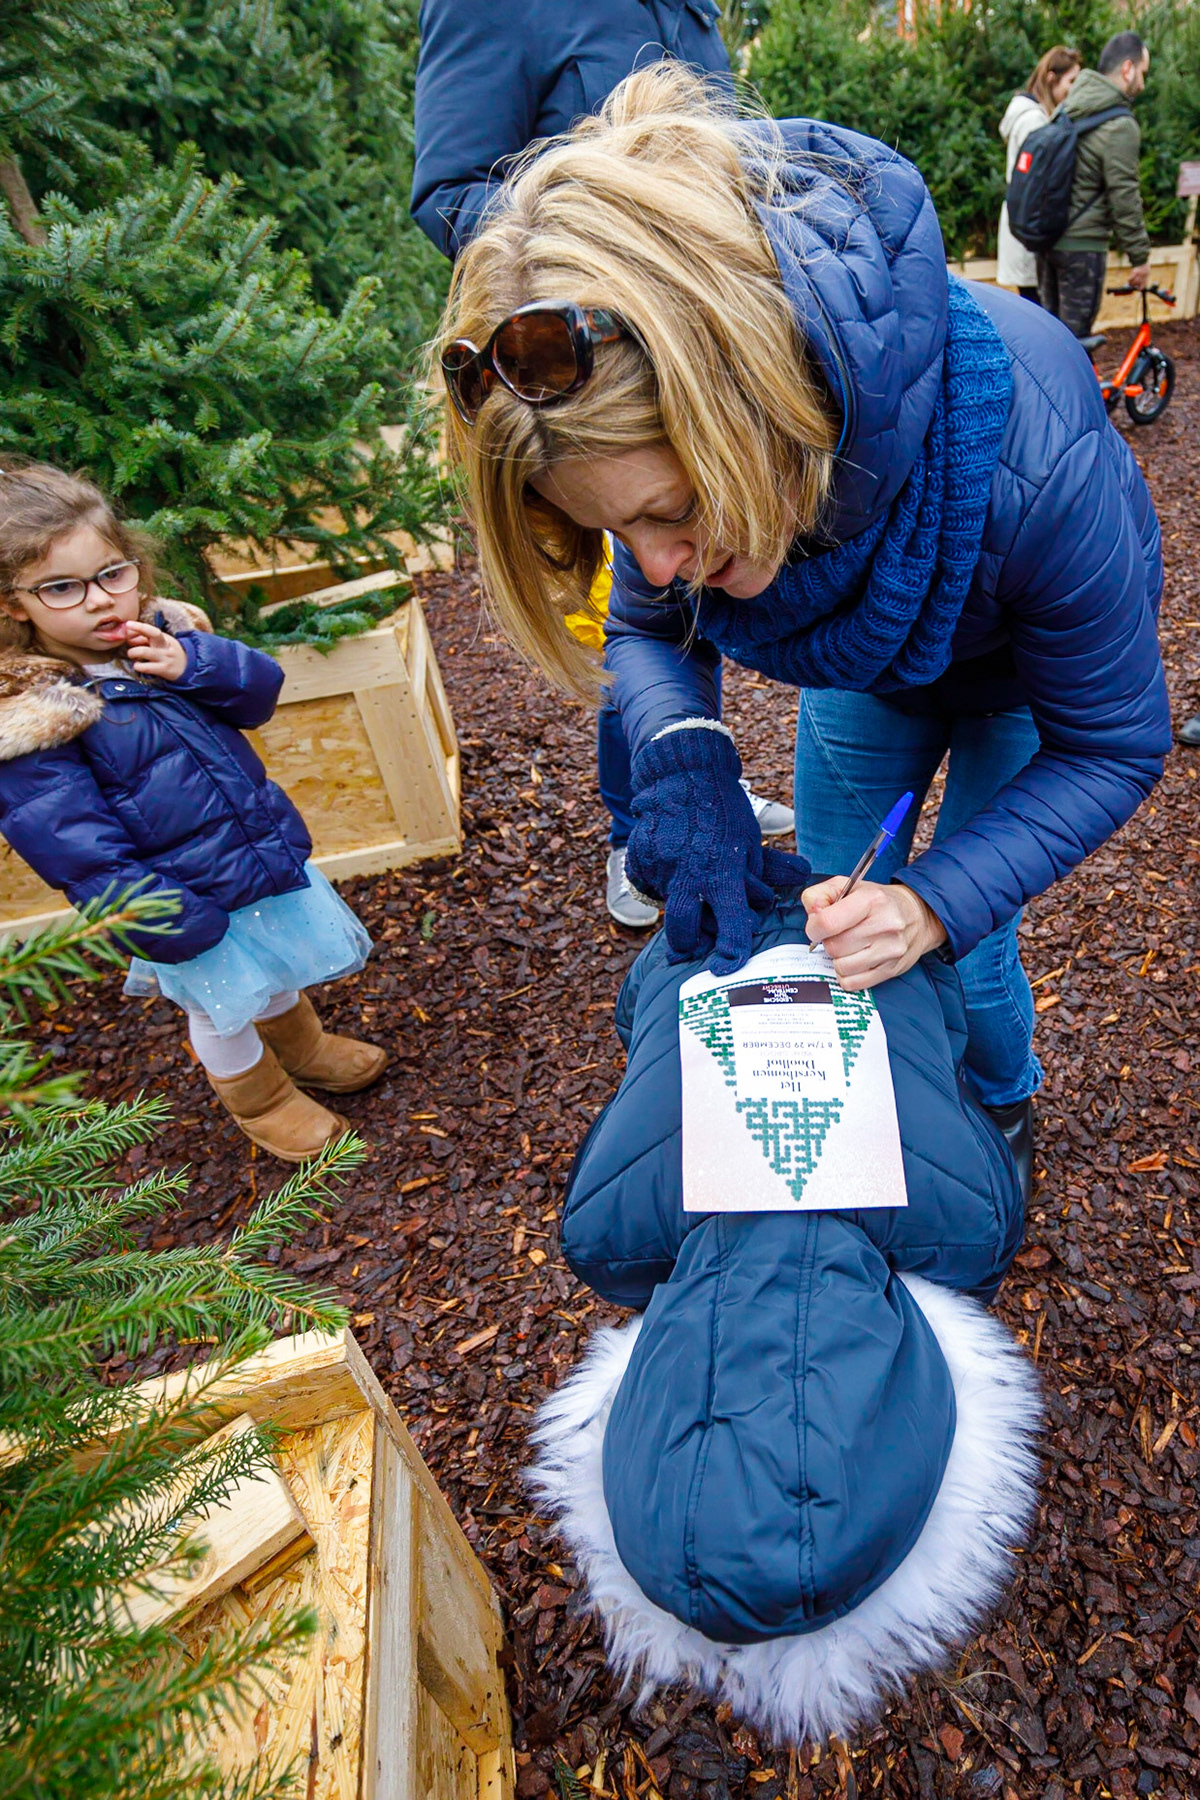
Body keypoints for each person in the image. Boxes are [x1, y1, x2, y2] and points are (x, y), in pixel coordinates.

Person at [435, 66, 1170, 1198]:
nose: (665, 564)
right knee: (838, 904)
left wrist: (929, 903)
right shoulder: (660, 451)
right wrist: (684, 750)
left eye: (674, 516)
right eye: (623, 529)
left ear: (764, 407)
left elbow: (1113, 743)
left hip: (1027, 689)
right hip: (872, 666)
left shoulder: (1032, 453)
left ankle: (1004, 1100)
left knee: (961, 941)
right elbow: (647, 628)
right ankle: (887, 1101)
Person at [411, 0, 794, 931]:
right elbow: (449, 188)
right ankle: (637, 825)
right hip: (595, 386)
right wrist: (598, 260)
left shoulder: (694, 10)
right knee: (647, 592)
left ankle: (704, 786)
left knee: (693, 587)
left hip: (700, 369)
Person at [0, 461, 388, 1162]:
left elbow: (258, 695)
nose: (100, 601)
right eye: (62, 587)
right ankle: (263, 1100)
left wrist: (191, 663)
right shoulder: (35, 718)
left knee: (270, 969)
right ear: (14, 604)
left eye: (113, 573)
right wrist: (165, 920)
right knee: (221, 1006)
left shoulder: (165, 639)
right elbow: (77, 850)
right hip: (175, 899)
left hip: (246, 858)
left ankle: (303, 1047)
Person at [1037, 31, 1152, 338]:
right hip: (1082, 247)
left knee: (1051, 342)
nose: (1142, 83)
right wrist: (1139, 258)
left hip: (1048, 241)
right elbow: (1124, 194)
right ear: (1127, 69)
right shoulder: (1119, 124)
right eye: (1142, 73)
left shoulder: (1069, 106)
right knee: (1075, 345)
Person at [996, 46, 1082, 301]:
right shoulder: (1033, 121)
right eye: (1071, 81)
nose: (1074, 89)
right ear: (1051, 78)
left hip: (1022, 227)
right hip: (1030, 233)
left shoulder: (1032, 116)